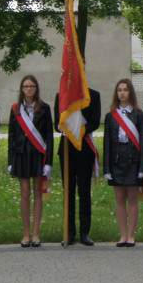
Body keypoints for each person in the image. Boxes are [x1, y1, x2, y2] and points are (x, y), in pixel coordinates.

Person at [8, 75, 54, 248]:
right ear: (21, 89)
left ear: (36, 89)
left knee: (38, 193)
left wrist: (48, 161)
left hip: (38, 155)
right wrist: (10, 160)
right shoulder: (15, 109)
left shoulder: (44, 108)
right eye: (26, 86)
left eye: (32, 86)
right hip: (21, 154)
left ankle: (36, 234)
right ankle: (26, 234)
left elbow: (49, 136)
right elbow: (12, 135)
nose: (29, 89)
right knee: (25, 194)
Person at [54, 88, 101, 246]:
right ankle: (69, 233)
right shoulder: (62, 95)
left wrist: (78, 131)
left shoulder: (93, 95)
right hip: (67, 150)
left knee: (84, 192)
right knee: (68, 192)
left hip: (84, 148)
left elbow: (95, 122)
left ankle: (85, 232)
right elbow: (57, 124)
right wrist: (68, 129)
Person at [104, 79, 143, 247]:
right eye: (119, 90)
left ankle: (131, 235)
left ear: (131, 93)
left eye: (125, 90)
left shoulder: (139, 115)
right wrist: (106, 167)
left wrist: (142, 167)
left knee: (132, 197)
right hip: (117, 160)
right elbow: (107, 143)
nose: (122, 93)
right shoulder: (110, 116)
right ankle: (122, 235)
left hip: (133, 160)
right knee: (119, 198)